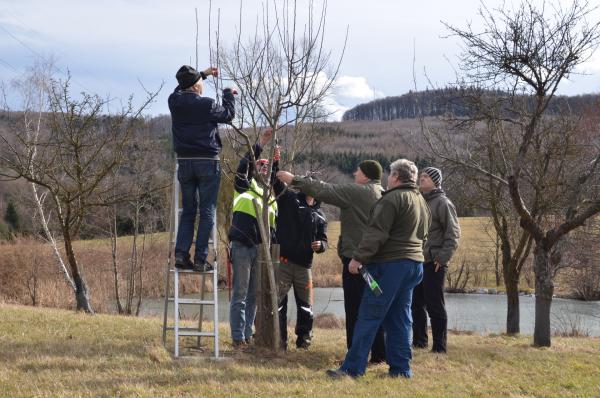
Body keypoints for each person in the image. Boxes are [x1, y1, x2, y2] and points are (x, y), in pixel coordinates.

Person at [326, 159, 431, 379]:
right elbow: (424, 234)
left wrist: (357, 259)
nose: (388, 178)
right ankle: (401, 369)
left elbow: (376, 233)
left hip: (390, 266)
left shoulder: (391, 199)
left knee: (369, 315)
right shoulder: (421, 200)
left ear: (395, 177)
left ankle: (351, 370)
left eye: (390, 174)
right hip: (414, 266)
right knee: (400, 318)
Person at [277, 160, 386, 363]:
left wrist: (294, 180)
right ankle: (380, 354)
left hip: (357, 264)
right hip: (377, 262)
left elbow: (326, 190)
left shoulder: (359, 192)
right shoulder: (383, 193)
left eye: (358, 171)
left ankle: (354, 356)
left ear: (367, 176)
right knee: (374, 307)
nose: (354, 173)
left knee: (354, 310)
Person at [168, 65, 235, 272]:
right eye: (200, 82)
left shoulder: (174, 102)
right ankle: (200, 259)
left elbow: (180, 89)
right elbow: (228, 114)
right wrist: (227, 94)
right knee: (207, 211)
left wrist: (203, 75)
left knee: (188, 210)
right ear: (197, 86)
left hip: (185, 162)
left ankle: (181, 254)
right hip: (207, 161)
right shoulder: (206, 104)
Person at [228, 129, 277, 347]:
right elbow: (242, 167)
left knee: (253, 296)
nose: (263, 168)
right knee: (239, 293)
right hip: (241, 246)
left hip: (260, 250)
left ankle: (248, 335)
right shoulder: (244, 187)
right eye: (260, 165)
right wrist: (260, 145)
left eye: (267, 166)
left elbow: (274, 231)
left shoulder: (272, 198)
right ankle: (238, 337)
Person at [273, 169, 328, 350]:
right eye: (309, 185)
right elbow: (276, 181)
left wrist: (321, 245)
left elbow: (324, 240)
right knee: (278, 303)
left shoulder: (320, 215)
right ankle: (279, 342)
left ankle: (303, 341)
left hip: (305, 266)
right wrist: (275, 161)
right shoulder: (290, 200)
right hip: (284, 263)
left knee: (306, 306)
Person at [411, 167, 460, 353]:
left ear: (435, 181)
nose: (421, 179)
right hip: (417, 261)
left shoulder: (443, 203)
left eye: (425, 177)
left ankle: (439, 347)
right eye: (420, 176)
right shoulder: (418, 201)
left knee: (435, 306)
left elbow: (453, 234)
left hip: (435, 262)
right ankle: (419, 342)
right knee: (416, 304)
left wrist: (442, 257)